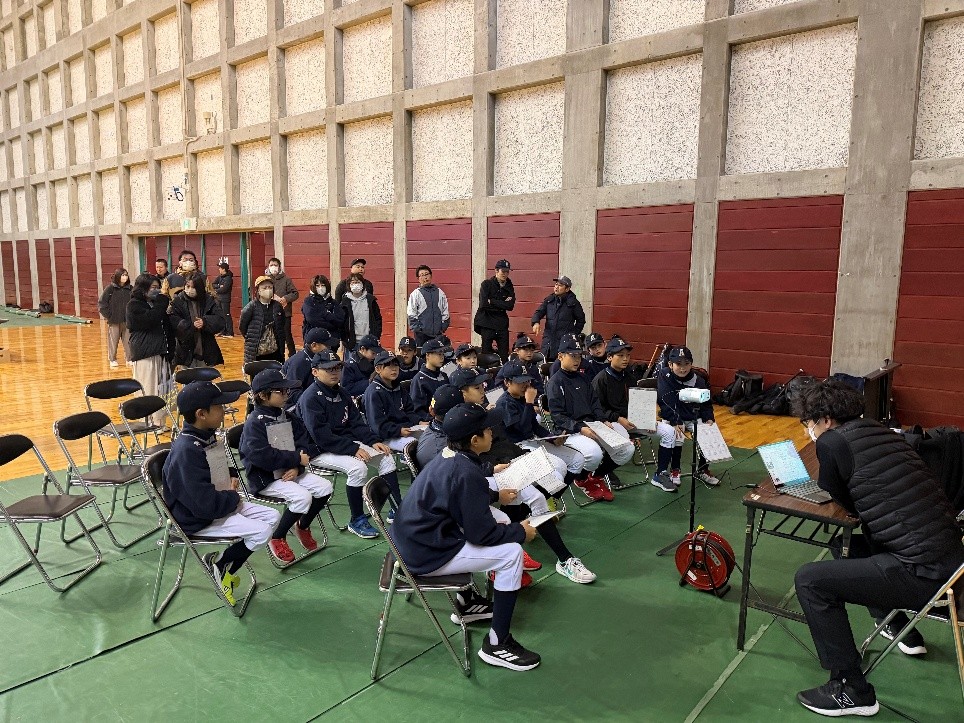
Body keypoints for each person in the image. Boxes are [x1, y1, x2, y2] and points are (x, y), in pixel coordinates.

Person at [791, 380, 964, 718]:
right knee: (847, 547)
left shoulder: (831, 443)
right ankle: (897, 625)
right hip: (952, 562)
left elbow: (841, 498)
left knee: (810, 580)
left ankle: (851, 689)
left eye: (808, 422)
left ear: (825, 419)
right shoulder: (880, 431)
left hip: (924, 575)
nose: (808, 429)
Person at [390, 403, 541, 671]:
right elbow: (482, 534)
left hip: (414, 540)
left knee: (501, 518)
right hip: (425, 554)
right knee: (512, 553)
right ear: (474, 440)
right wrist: (521, 532)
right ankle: (497, 644)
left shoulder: (450, 456)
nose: (492, 433)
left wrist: (495, 495)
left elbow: (461, 494)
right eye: (488, 429)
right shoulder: (465, 471)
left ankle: (468, 602)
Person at [162, 381, 280, 605]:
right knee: (262, 531)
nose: (224, 410)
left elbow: (217, 467)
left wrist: (231, 474)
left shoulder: (205, 435)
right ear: (201, 414)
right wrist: (232, 497)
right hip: (198, 519)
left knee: (273, 516)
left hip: (219, 503)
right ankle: (222, 566)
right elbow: (203, 504)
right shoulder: (187, 451)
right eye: (218, 407)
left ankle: (222, 567)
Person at [296, 350, 396, 539]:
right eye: (328, 369)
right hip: (318, 450)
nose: (334, 372)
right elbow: (322, 437)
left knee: (387, 458)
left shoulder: (342, 393)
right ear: (315, 372)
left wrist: (373, 441)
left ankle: (396, 508)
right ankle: (356, 519)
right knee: (358, 468)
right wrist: (353, 449)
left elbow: (357, 424)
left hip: (343, 444)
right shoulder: (310, 398)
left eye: (337, 368)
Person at [239, 370, 334, 564]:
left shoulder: (287, 416)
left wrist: (297, 467)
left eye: (286, 391)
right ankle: (277, 536)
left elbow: (303, 442)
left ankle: (303, 525)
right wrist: (295, 460)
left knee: (325, 487)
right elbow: (261, 457)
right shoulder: (254, 423)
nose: (286, 395)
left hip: (291, 470)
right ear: (263, 395)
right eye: (280, 391)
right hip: (267, 478)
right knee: (303, 497)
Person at [547, 335, 635, 501]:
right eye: (572, 356)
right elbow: (558, 416)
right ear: (560, 356)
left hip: (593, 425)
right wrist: (580, 428)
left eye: (579, 356)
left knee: (627, 449)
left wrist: (603, 420)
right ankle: (581, 479)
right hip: (571, 431)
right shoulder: (555, 382)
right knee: (594, 453)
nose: (577, 360)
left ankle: (595, 477)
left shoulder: (583, 378)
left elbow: (595, 403)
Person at [363, 350, 427, 511]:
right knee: (415, 446)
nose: (394, 369)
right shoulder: (374, 391)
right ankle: (406, 503)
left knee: (429, 438)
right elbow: (378, 426)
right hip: (385, 436)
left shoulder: (398, 386)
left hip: (405, 430)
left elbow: (410, 411)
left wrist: (419, 422)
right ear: (378, 369)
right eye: (388, 365)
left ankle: (421, 493)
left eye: (396, 365)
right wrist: (398, 431)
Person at [652, 346, 718, 493]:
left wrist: (709, 418)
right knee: (677, 435)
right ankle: (675, 469)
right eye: (678, 364)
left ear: (691, 364)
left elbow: (706, 403)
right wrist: (676, 421)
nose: (682, 368)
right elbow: (665, 401)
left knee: (708, 434)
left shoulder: (698, 380)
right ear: (670, 364)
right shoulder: (664, 375)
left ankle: (702, 469)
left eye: (686, 364)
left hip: (692, 416)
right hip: (672, 416)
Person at [591, 337, 640, 486]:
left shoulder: (630, 377)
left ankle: (662, 472)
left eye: (628, 355)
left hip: (630, 420)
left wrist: (647, 421)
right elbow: (597, 409)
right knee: (625, 446)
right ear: (610, 357)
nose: (625, 359)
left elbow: (637, 404)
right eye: (620, 355)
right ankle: (603, 471)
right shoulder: (601, 379)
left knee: (668, 432)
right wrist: (618, 418)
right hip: (610, 421)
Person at [126, 274, 174, 426]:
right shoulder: (134, 305)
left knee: (163, 390)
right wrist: (162, 300)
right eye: (153, 287)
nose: (157, 290)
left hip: (161, 352)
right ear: (143, 288)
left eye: (158, 287)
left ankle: (160, 421)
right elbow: (150, 320)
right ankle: (147, 421)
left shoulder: (155, 304)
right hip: (145, 353)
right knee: (148, 388)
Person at [169, 276, 224, 369]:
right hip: (185, 348)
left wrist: (205, 322)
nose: (190, 290)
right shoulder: (178, 301)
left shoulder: (209, 300)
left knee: (205, 376)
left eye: (193, 287)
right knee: (187, 376)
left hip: (206, 347)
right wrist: (190, 326)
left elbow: (220, 320)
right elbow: (173, 322)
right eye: (188, 286)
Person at [530, 276, 585, 360]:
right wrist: (536, 322)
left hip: (564, 343)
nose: (556, 287)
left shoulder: (573, 303)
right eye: (556, 284)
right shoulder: (549, 300)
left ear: (567, 289)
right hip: (548, 342)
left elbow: (581, 321)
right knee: (545, 363)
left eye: (560, 285)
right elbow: (538, 312)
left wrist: (572, 335)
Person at [282, 327, 334, 409]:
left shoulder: (320, 358)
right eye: (327, 345)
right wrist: (317, 400)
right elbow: (292, 393)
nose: (329, 349)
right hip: (295, 406)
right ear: (314, 345)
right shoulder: (299, 362)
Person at [238, 275, 285, 366]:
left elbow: (282, 324)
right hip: (256, 353)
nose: (268, 290)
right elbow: (242, 327)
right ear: (258, 290)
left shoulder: (278, 306)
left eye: (270, 287)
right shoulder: (251, 307)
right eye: (264, 288)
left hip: (275, 352)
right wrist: (252, 337)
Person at [474, 258, 515, 361]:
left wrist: (492, 301)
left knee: (504, 355)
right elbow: (483, 304)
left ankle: (502, 371)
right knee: (486, 354)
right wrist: (502, 304)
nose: (505, 274)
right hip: (487, 323)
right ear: (496, 271)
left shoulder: (509, 285)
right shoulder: (486, 284)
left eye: (507, 271)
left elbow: (510, 306)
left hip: (501, 324)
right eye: (503, 271)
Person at [406, 264, 449, 346]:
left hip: (437, 334)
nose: (425, 277)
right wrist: (418, 330)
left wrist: (442, 328)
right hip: (422, 336)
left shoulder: (440, 293)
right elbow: (411, 314)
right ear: (418, 279)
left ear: (431, 275)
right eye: (422, 275)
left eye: (426, 274)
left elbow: (445, 312)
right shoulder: (415, 294)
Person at [98, 268, 133, 368]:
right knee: (113, 341)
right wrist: (109, 315)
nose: (125, 277)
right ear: (117, 276)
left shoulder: (131, 289)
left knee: (128, 341)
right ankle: (112, 359)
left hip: (127, 320)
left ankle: (129, 358)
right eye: (122, 275)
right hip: (114, 320)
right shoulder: (110, 289)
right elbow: (102, 303)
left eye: (126, 275)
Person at [264, 258, 299, 358]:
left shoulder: (286, 279)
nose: (273, 267)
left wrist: (285, 299)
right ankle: (276, 355)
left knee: (287, 334)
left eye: (275, 265)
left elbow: (295, 293)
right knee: (272, 335)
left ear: (279, 267)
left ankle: (292, 355)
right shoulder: (265, 280)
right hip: (270, 312)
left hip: (284, 312)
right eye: (271, 265)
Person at [410, 337, 451, 420]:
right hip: (430, 421)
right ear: (427, 355)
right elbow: (417, 410)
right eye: (438, 354)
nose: (442, 357)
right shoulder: (419, 380)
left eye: (442, 354)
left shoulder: (444, 375)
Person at [340, 272, 382, 351]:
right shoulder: (345, 303)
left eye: (358, 282)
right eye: (353, 283)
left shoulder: (370, 300)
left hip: (369, 342)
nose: (356, 285)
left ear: (363, 284)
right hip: (352, 343)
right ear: (349, 285)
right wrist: (345, 340)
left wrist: (376, 336)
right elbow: (341, 322)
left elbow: (377, 319)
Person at [301, 273, 345, 340]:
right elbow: (313, 320)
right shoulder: (309, 301)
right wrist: (331, 322)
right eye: (317, 286)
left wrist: (325, 315)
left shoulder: (333, 302)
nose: (320, 288)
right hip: (314, 338)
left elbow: (340, 320)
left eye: (323, 285)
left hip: (332, 338)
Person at [211, 261, 234, 337]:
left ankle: (230, 332)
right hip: (218, 299)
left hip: (225, 300)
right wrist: (219, 286)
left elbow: (224, 289)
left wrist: (216, 290)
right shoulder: (220, 277)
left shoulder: (228, 279)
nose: (219, 269)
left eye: (220, 268)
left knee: (226, 315)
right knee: (221, 316)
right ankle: (223, 331)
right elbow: (213, 284)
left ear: (224, 269)